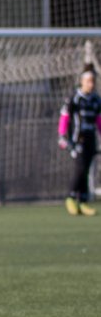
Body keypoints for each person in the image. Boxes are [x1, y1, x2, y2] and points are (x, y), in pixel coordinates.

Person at [58, 63, 101, 216]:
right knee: (80, 168)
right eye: (89, 80)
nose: (91, 84)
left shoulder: (96, 99)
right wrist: (62, 136)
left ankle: (82, 202)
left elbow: (99, 120)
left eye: (93, 81)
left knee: (87, 169)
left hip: (91, 140)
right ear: (82, 81)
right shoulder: (74, 98)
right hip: (77, 140)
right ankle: (70, 197)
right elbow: (65, 116)